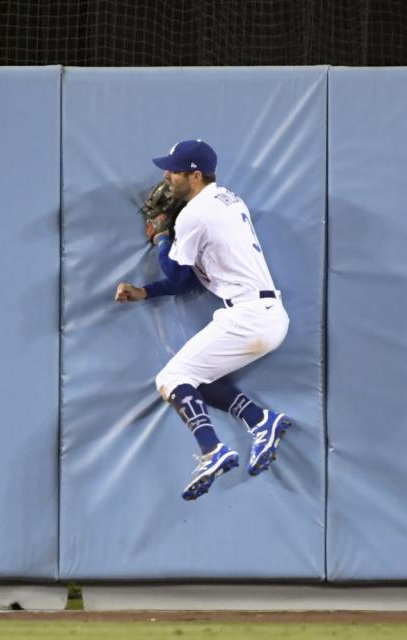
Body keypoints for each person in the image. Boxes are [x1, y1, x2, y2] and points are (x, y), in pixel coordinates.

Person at [115, 139, 291, 501]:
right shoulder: (229, 199)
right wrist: (145, 292)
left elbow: (179, 276)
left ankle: (213, 450)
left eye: (174, 170)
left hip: (249, 315)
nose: (166, 176)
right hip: (262, 313)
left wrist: (164, 236)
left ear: (195, 175)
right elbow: (190, 278)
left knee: (171, 378)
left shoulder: (195, 214)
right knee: (196, 376)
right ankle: (261, 421)